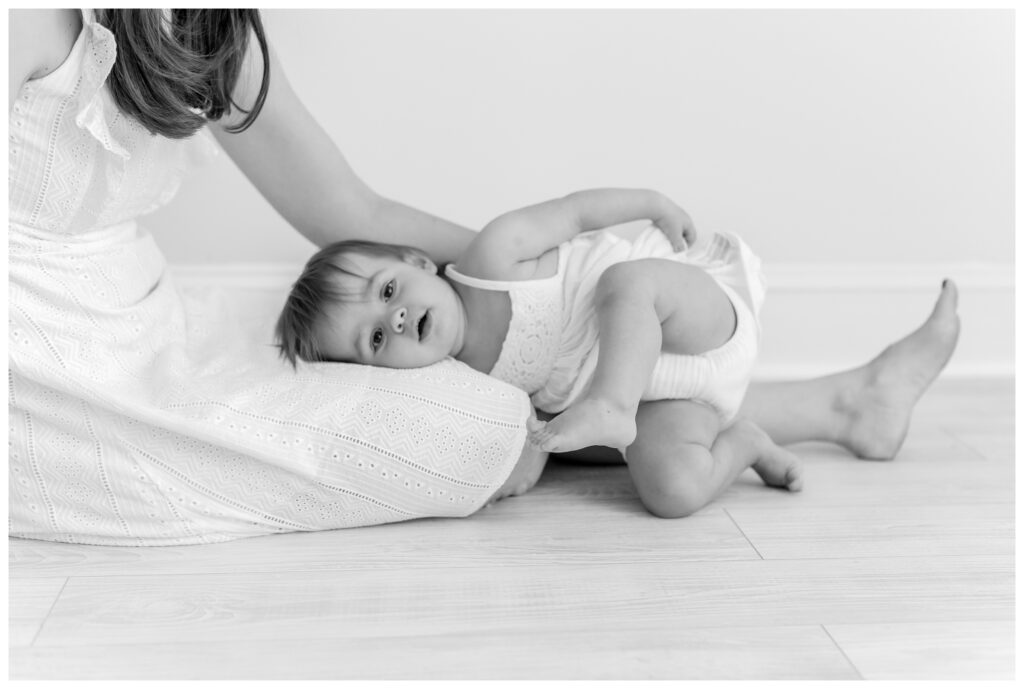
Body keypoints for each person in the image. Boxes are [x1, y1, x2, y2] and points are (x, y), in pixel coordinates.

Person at [9, 9, 960, 545]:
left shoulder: (208, 34)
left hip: (665, 303)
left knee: (567, 360)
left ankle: (652, 407)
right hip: (37, 328)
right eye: (380, 328)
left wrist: (504, 283)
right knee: (568, 438)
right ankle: (845, 407)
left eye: (391, 299)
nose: (396, 319)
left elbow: (370, 219)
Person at [275, 188, 815, 517]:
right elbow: (521, 434)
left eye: (387, 291)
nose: (392, 320)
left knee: (624, 285)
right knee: (671, 491)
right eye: (374, 340)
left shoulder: (492, 255)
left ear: (417, 261)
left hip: (691, 316)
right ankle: (745, 444)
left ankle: (612, 405)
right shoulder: (463, 383)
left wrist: (651, 203)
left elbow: (575, 212)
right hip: (677, 401)